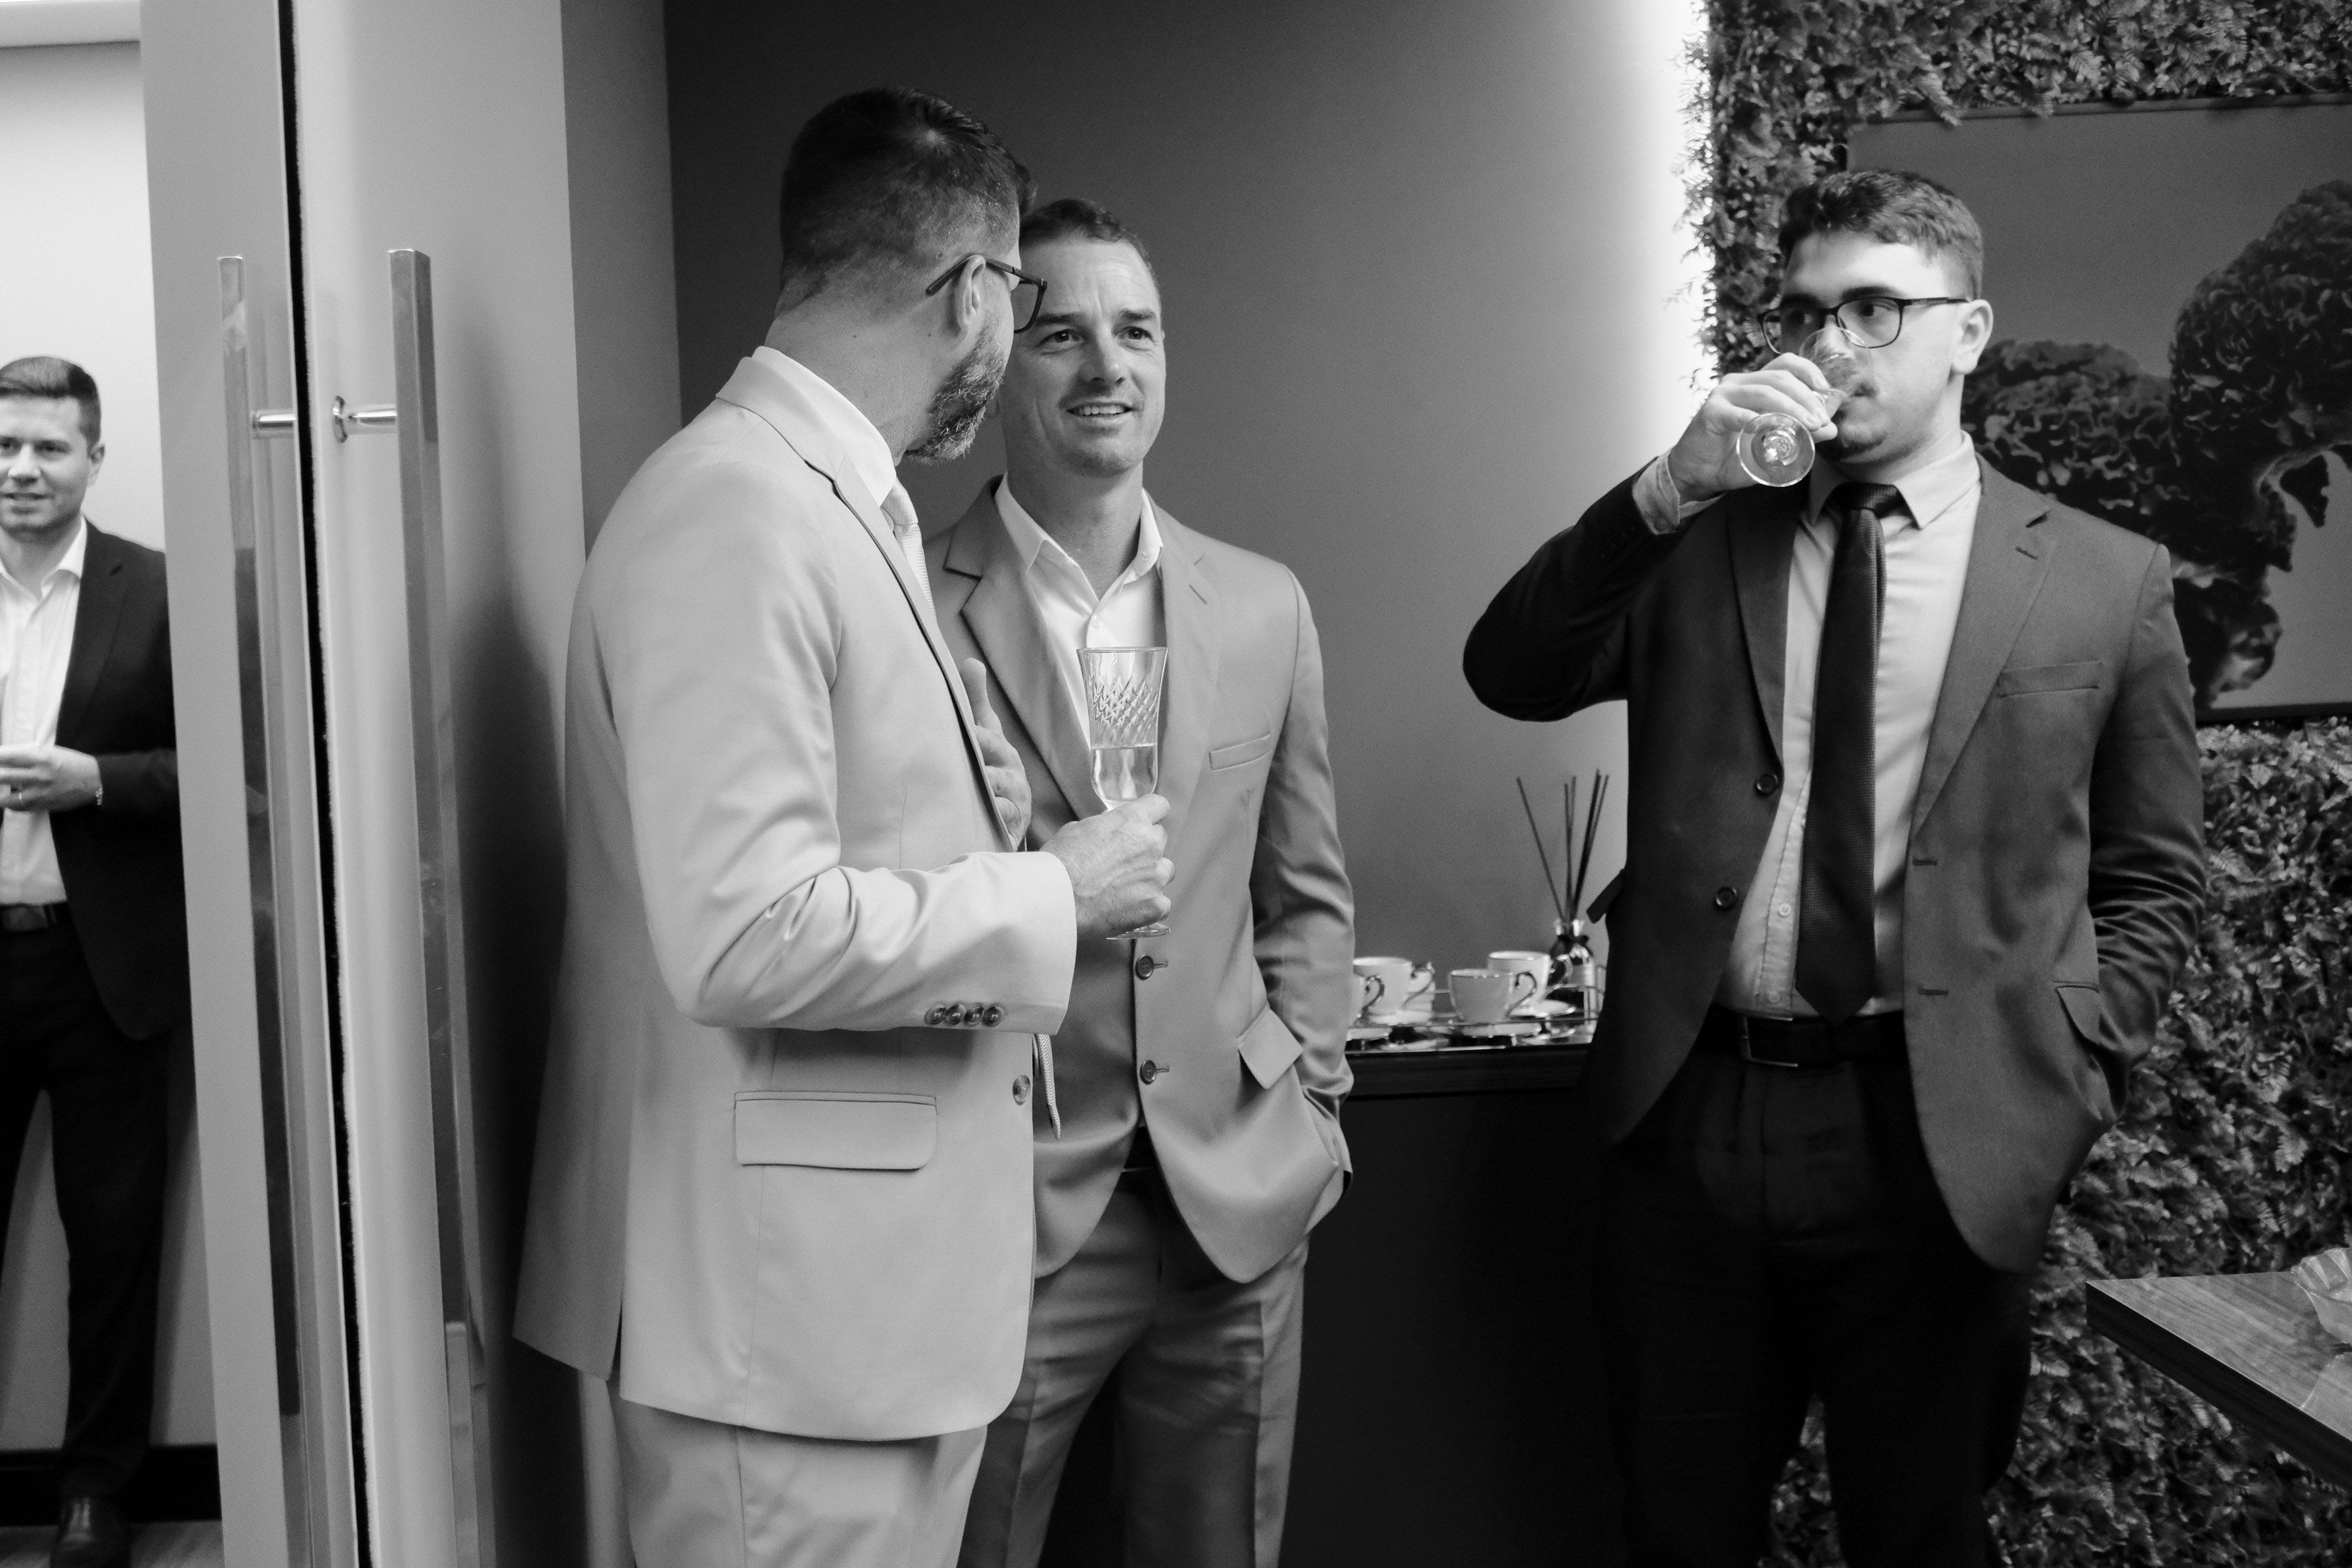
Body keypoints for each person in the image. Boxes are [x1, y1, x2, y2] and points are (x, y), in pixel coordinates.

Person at [1463, 170, 2204, 1566]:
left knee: (1921, 1534)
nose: (1829, 343)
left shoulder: (2107, 581)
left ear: (1968, 330)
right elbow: (1512, 671)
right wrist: (1668, 486)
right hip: (1693, 1118)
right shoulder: (1698, 542)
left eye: (1874, 308)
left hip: (1942, 1133)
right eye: (1806, 312)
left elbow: (2154, 874)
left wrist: (2072, 1068)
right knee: (1677, 1532)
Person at [512, 92, 1174, 1568]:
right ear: (972, 293)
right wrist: (1050, 895)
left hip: (854, 1325)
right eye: (1023, 301)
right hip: (782, 1340)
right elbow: (748, 935)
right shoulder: (737, 509)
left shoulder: (834, 502)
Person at [928, 199, 1353, 1568]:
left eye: (1138, 331)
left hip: (1236, 1203)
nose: (1108, 365)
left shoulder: (1266, 605)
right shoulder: (907, 602)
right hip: (1012, 1209)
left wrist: (1310, 1099)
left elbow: (1305, 888)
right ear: (994, 361)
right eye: (1061, 334)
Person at [0, 356, 186, 1568]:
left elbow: (229, 766)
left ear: (94, 459)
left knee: (112, 1246)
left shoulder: (157, 593)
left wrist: (99, 781)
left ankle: (95, 1495)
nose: (22, 469)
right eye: (4, 447)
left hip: (101, 969)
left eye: (48, 448)